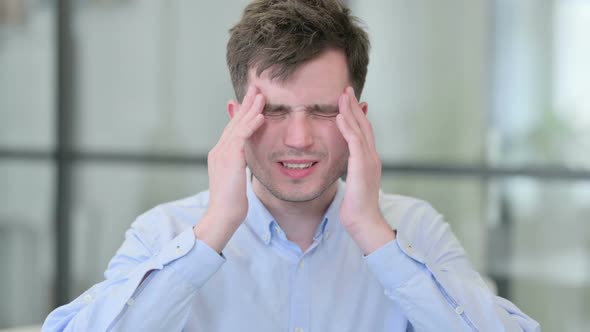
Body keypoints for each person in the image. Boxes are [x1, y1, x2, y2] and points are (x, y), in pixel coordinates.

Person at [43, 0, 540, 331]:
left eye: (323, 111)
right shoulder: (168, 231)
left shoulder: (411, 229)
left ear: (358, 121)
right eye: (274, 111)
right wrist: (214, 230)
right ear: (238, 120)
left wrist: (372, 233)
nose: (298, 139)